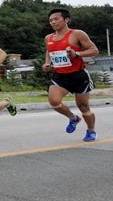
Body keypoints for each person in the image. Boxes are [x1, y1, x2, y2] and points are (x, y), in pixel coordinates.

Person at [42, 8, 99, 141]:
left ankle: (91, 131)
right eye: (50, 20)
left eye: (56, 19)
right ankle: (73, 118)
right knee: (54, 102)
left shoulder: (77, 34)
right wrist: (47, 63)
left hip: (79, 76)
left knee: (83, 107)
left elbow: (94, 50)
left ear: (66, 20)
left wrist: (77, 53)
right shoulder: (48, 38)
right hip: (60, 76)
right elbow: (49, 51)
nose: (53, 22)